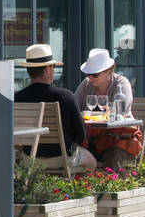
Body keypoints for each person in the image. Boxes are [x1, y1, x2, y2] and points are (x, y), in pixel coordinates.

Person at [15, 43, 96, 172]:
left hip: (30, 159)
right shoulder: (65, 96)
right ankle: (75, 191)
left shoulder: (17, 98)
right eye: (53, 66)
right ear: (47, 69)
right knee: (92, 161)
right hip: (61, 158)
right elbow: (80, 135)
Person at [73, 48, 138, 168]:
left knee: (112, 156)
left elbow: (120, 113)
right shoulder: (86, 84)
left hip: (118, 139)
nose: (91, 77)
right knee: (75, 154)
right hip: (94, 139)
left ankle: (114, 186)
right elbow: (74, 108)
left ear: (108, 71)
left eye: (95, 74)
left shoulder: (121, 84)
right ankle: (84, 186)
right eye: (88, 74)